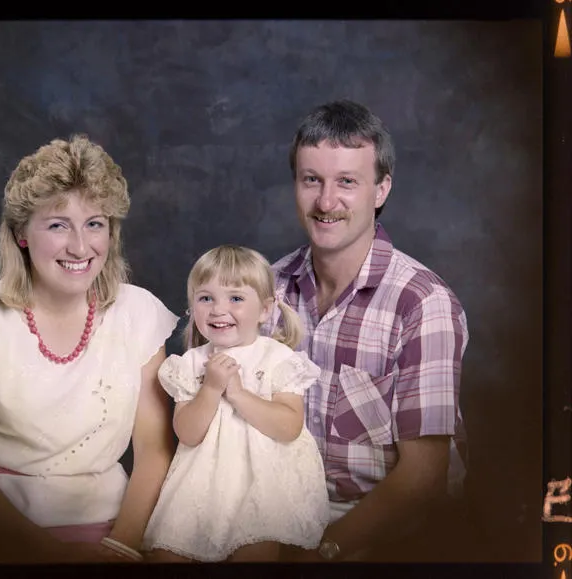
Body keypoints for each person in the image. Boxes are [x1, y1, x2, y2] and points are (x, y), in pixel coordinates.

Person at [0, 135, 179, 563]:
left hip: (116, 530)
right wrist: (56, 557)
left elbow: (154, 453)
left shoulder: (138, 312)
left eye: (95, 223)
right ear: (21, 234)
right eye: (58, 225)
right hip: (3, 534)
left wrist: (119, 548)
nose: (81, 247)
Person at [264, 100, 469, 562]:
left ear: (381, 190)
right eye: (311, 179)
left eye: (347, 182)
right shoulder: (268, 289)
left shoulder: (421, 303)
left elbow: (423, 477)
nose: (325, 202)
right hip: (281, 519)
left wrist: (322, 553)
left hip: (387, 535)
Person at [142, 245, 330, 562]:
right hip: (203, 485)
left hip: (262, 486)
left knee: (254, 553)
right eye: (206, 298)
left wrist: (240, 394)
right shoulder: (189, 364)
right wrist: (211, 389)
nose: (218, 309)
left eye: (236, 298)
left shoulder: (277, 358)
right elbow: (187, 434)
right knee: (167, 556)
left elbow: (288, 427)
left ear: (265, 310)